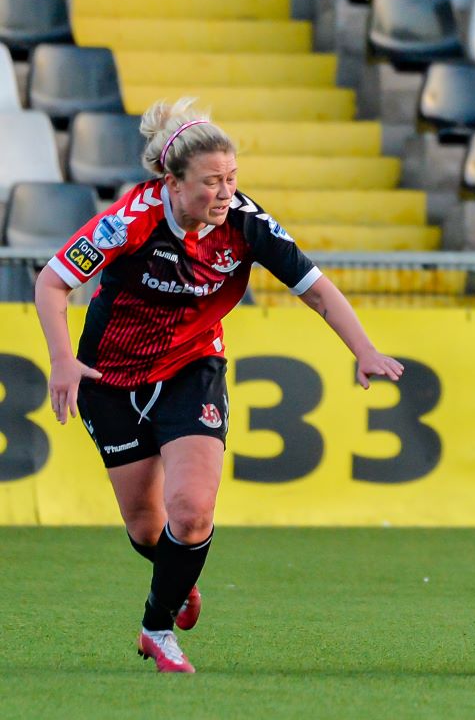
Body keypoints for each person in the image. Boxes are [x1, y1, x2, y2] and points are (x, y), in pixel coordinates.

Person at [33, 98, 405, 674]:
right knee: (146, 527)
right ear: (172, 184)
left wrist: (364, 350)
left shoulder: (248, 223)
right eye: (211, 182)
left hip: (192, 369)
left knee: (193, 513)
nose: (225, 192)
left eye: (231, 178)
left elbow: (316, 289)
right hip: (109, 379)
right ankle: (177, 578)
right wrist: (61, 359)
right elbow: (52, 282)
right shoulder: (130, 219)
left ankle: (157, 629)